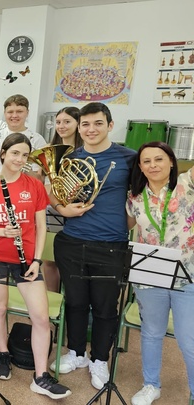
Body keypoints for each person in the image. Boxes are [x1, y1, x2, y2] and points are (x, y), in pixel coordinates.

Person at [0, 133, 72, 399]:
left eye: (24, 155)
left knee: (40, 317)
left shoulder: (35, 186)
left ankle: (40, 377)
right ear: (3, 153)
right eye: (14, 153)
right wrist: (1, 232)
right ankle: (3, 353)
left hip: (26, 261)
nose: (19, 159)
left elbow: (41, 227)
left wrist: (37, 260)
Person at [48, 102, 136, 389]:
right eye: (85, 124)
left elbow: (140, 199)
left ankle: (100, 359)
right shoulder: (69, 157)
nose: (91, 129)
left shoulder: (128, 158)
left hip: (111, 245)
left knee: (104, 307)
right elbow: (52, 190)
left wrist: (127, 223)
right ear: (79, 127)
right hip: (72, 241)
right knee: (74, 302)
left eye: (98, 123)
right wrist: (62, 209)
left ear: (110, 125)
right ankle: (75, 353)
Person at [126, 141, 194, 405]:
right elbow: (126, 226)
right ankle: (151, 384)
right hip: (149, 273)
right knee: (152, 333)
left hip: (186, 274)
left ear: (172, 162)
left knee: (188, 338)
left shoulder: (187, 184)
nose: (153, 165)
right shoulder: (134, 196)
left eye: (159, 159)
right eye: (147, 161)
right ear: (140, 167)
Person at [40, 107, 82, 292]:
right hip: (53, 209)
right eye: (58, 122)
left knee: (72, 262)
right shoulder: (49, 150)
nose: (61, 126)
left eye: (67, 122)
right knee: (49, 261)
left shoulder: (84, 152)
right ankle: (52, 301)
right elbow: (43, 182)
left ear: (78, 124)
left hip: (78, 211)